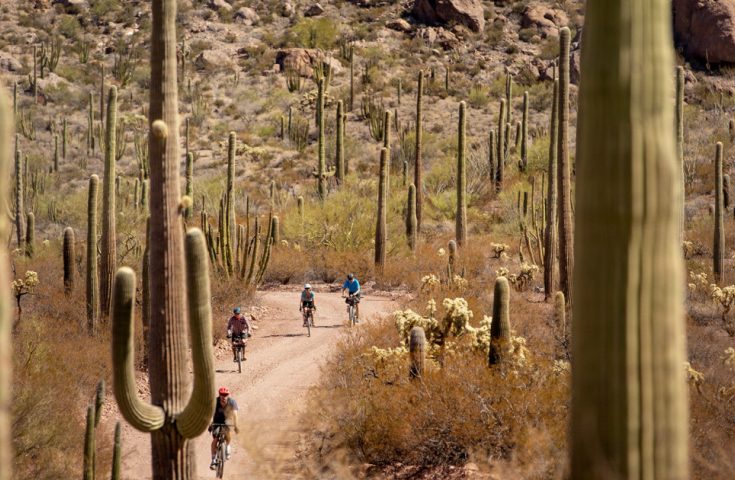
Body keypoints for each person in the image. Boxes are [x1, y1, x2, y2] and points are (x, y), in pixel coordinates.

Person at [209, 387, 239, 469]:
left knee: (228, 432)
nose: (224, 396)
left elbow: (235, 414)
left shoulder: (232, 402)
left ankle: (228, 446)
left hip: (227, 420)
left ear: (228, 395)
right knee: (215, 439)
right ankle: (213, 460)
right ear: (219, 395)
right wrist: (209, 424)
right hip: (217, 421)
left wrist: (236, 425)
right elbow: (209, 413)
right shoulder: (215, 402)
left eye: (225, 395)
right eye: (222, 395)